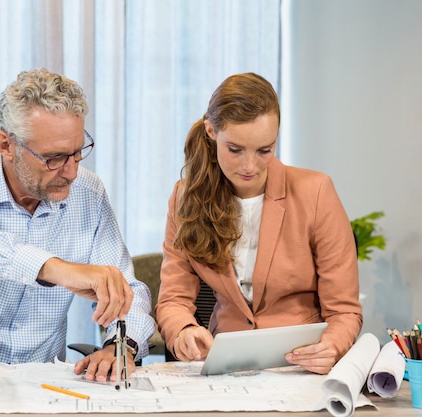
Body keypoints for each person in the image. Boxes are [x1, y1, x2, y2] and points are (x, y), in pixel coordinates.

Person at [0, 68, 154, 382]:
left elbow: (127, 289)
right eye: (53, 158)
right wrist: (56, 268)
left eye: (78, 153)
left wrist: (120, 345)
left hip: (42, 385)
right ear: (6, 145)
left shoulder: (88, 194)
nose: (71, 173)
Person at [155, 72, 362, 375]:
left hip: (300, 365)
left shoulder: (315, 192)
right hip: (226, 365)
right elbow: (173, 299)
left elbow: (344, 310)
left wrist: (332, 345)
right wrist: (184, 331)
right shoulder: (184, 198)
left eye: (265, 150)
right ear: (212, 132)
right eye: (235, 150)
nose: (250, 166)